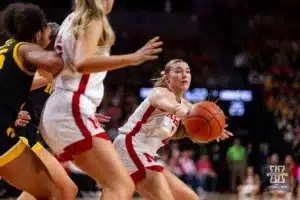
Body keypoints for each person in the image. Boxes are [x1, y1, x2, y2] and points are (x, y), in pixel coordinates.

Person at [40, 0, 163, 199]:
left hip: (62, 107)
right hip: (70, 107)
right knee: (120, 185)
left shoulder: (71, 19)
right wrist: (133, 58)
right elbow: (82, 63)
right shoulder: (93, 17)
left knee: (58, 188)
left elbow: (62, 68)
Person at [113, 59, 233, 200]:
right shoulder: (159, 93)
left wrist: (209, 131)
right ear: (167, 76)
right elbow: (171, 106)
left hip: (146, 153)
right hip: (130, 146)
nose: (184, 75)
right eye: (178, 71)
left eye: (187, 71)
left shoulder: (188, 106)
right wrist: (188, 113)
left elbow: (181, 133)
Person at [0, 3, 64, 199]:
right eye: (45, 27)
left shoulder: (5, 49)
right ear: (37, 34)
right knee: (51, 193)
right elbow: (55, 63)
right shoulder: (25, 49)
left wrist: (10, 113)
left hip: (9, 127)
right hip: (7, 135)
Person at [15, 22, 78, 200]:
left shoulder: (49, 77)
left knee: (55, 190)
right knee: (64, 189)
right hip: (18, 136)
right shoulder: (31, 72)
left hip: (30, 137)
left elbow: (50, 108)